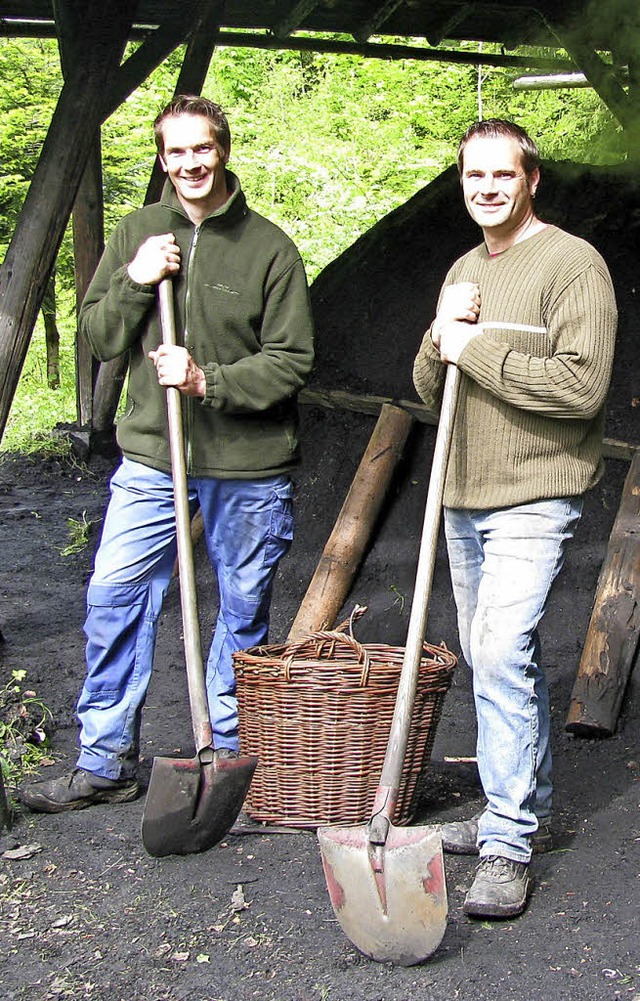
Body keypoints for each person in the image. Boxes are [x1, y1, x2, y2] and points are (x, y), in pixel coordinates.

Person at [21, 95, 314, 813]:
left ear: (223, 149)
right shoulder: (138, 232)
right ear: (162, 158)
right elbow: (100, 336)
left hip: (247, 466)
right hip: (155, 456)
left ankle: (222, 752)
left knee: (241, 614)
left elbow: (292, 359)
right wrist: (136, 278)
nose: (189, 164)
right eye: (175, 152)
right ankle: (105, 757)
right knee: (115, 592)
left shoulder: (270, 248)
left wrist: (207, 379)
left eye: (201, 149)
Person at [413, 119, 617, 918]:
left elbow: (580, 388)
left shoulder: (573, 265)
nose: (487, 187)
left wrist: (474, 350)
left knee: (498, 650)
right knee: (494, 654)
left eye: (503, 174)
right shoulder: (464, 267)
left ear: (532, 178)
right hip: (463, 491)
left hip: (535, 491)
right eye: (473, 176)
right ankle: (515, 801)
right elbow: (432, 391)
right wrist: (439, 334)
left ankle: (506, 844)